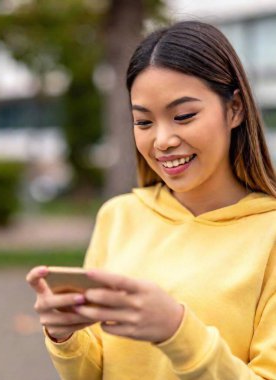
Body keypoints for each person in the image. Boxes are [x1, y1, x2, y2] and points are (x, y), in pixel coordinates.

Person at [26, 21, 276, 380]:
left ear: (234, 109)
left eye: (184, 116)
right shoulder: (119, 216)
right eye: (143, 122)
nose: (162, 140)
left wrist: (176, 330)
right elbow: (93, 372)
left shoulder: (269, 235)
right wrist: (64, 334)